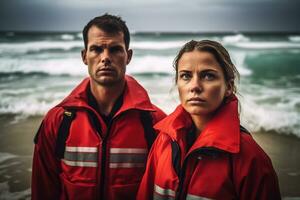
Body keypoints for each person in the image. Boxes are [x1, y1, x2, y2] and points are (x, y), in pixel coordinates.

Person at [31, 14, 166, 200]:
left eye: (115, 49)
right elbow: (43, 189)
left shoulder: (156, 122)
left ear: (129, 56)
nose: (105, 58)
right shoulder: (58, 120)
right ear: (84, 56)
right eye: (96, 49)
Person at [137, 40, 281, 200]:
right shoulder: (164, 141)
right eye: (185, 76)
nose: (195, 86)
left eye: (208, 76)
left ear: (229, 87)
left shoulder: (250, 156)